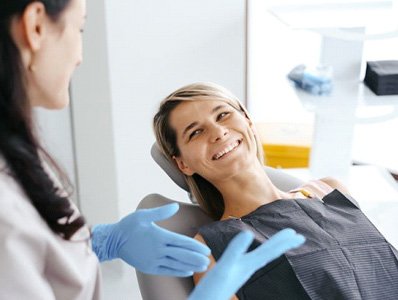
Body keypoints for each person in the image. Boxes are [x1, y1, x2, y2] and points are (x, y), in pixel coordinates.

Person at [0, 1, 305, 299]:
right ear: (36, 25)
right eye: (79, 28)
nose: (79, 57)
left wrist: (99, 242)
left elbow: (34, 249)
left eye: (224, 114)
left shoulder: (17, 157)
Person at [153, 82, 398, 299]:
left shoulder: (328, 191)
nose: (218, 132)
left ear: (247, 119)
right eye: (196, 132)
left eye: (223, 115)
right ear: (183, 164)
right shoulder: (213, 249)